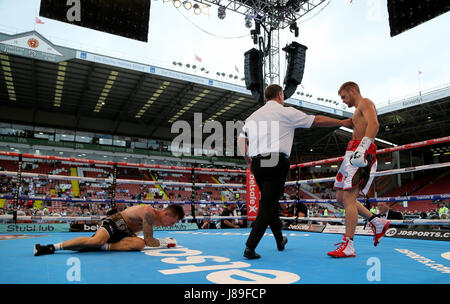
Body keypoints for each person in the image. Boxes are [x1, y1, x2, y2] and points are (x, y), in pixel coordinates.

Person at [237, 84, 353, 259]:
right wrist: (342, 122)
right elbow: (317, 121)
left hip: (258, 163)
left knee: (271, 203)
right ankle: (250, 247)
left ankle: (279, 241)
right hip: (276, 161)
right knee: (268, 205)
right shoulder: (286, 112)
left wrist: (249, 163)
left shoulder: (252, 117)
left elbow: (240, 142)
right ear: (280, 95)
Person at [329, 81, 390, 258]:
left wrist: (362, 148)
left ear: (353, 90)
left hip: (361, 152)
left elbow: (374, 124)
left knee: (348, 197)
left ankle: (348, 245)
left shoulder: (365, 103)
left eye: (344, 96)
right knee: (341, 197)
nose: (343, 101)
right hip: (351, 152)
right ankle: (376, 222)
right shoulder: (356, 112)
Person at [34, 204, 185, 256]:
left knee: (139, 245)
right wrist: (166, 242)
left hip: (124, 233)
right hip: (114, 223)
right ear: (166, 213)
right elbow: (150, 241)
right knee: (96, 241)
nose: (171, 225)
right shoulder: (149, 213)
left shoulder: (158, 220)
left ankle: (103, 246)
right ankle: (51, 247)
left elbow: (144, 240)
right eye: (172, 222)